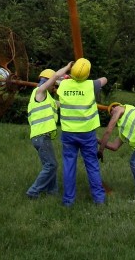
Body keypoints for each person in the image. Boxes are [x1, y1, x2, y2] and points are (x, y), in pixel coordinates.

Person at [41, 58, 107, 207]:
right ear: (87, 73)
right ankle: (99, 199)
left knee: (69, 166)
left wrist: (68, 69)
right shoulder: (91, 85)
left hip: (69, 133)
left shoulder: (63, 85)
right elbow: (104, 79)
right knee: (92, 165)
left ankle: (68, 200)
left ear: (72, 70)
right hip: (87, 134)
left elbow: (55, 78)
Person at [26, 62, 71, 199]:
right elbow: (56, 75)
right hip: (41, 136)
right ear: (48, 81)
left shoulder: (47, 98)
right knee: (51, 165)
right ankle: (33, 191)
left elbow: (62, 104)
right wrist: (68, 67)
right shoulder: (39, 92)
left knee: (50, 164)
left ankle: (53, 191)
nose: (54, 87)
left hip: (41, 136)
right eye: (54, 84)